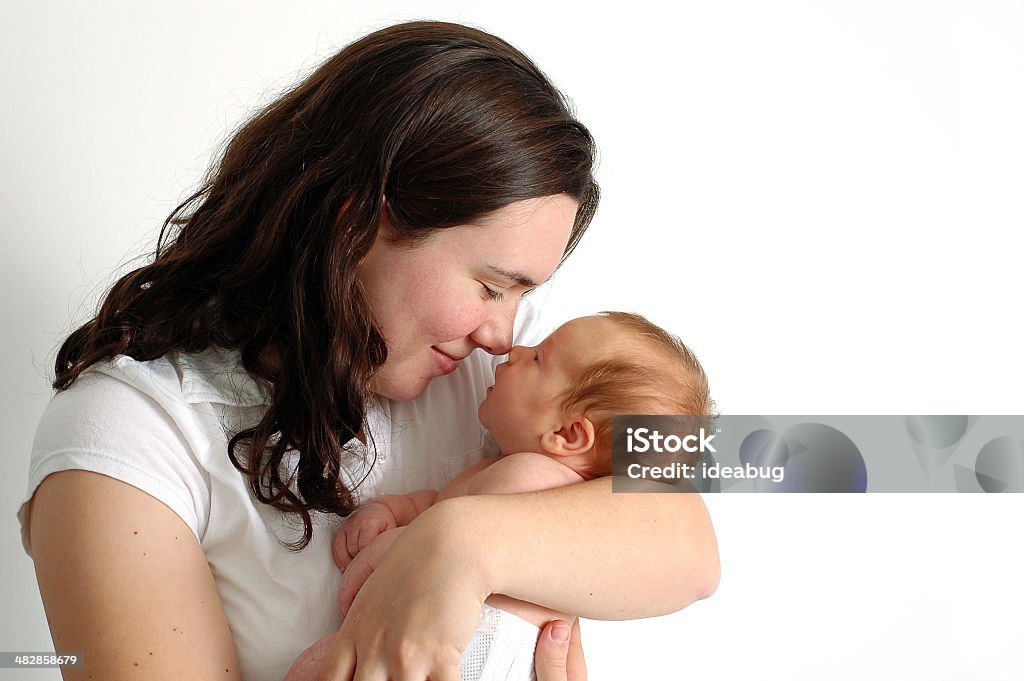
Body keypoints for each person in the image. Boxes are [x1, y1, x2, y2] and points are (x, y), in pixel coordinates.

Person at [18, 21, 720, 681]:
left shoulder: (496, 374)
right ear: (355, 219)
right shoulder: (131, 432)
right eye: (488, 285)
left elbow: (693, 539)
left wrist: (457, 544)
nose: (507, 333)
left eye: (519, 293)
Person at [282, 312, 714, 681]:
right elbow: (439, 509)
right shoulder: (504, 472)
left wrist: (396, 544)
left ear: (566, 435)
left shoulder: (537, 480)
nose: (513, 349)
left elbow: (446, 538)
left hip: (478, 647)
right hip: (480, 646)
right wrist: (392, 509)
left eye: (539, 358)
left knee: (318, 667)